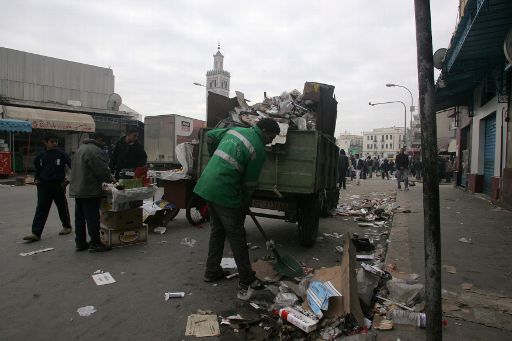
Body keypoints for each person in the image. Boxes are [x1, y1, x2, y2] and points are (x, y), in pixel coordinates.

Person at [193, 118, 280, 300]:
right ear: (264, 130)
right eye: (271, 136)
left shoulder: (235, 130)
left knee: (217, 231)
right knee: (237, 236)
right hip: (224, 190)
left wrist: (214, 158)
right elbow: (249, 183)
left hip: (208, 184)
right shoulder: (258, 149)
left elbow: (210, 136)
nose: (271, 141)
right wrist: (244, 202)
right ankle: (246, 279)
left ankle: (211, 271)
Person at [23, 134, 72, 242]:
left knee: (62, 206)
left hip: (58, 184)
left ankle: (67, 226)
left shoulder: (62, 155)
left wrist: (68, 179)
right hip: (44, 185)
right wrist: (37, 179)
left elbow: (72, 166)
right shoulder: (41, 156)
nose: (55, 144)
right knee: (41, 208)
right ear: (45, 142)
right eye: (52, 141)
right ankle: (36, 233)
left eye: (56, 142)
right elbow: (38, 169)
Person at [69, 133, 114, 252]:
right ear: (99, 139)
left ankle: (80, 242)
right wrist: (112, 181)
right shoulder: (94, 150)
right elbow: (102, 170)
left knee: (80, 217)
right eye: (103, 142)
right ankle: (95, 243)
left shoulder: (80, 149)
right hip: (89, 189)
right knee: (92, 217)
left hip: (78, 189)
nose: (103, 145)